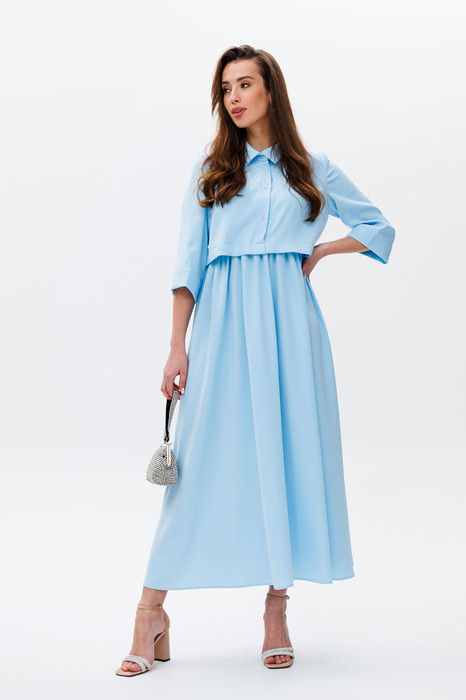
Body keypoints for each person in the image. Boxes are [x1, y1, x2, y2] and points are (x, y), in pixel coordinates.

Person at [116, 44, 395, 676]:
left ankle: (276, 612)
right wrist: (177, 345)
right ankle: (149, 611)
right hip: (221, 326)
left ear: (271, 90)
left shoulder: (311, 168)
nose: (234, 97)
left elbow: (377, 227)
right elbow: (188, 265)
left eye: (245, 84)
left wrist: (320, 252)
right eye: (226, 88)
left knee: (284, 458)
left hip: (291, 329)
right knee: (198, 467)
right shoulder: (213, 168)